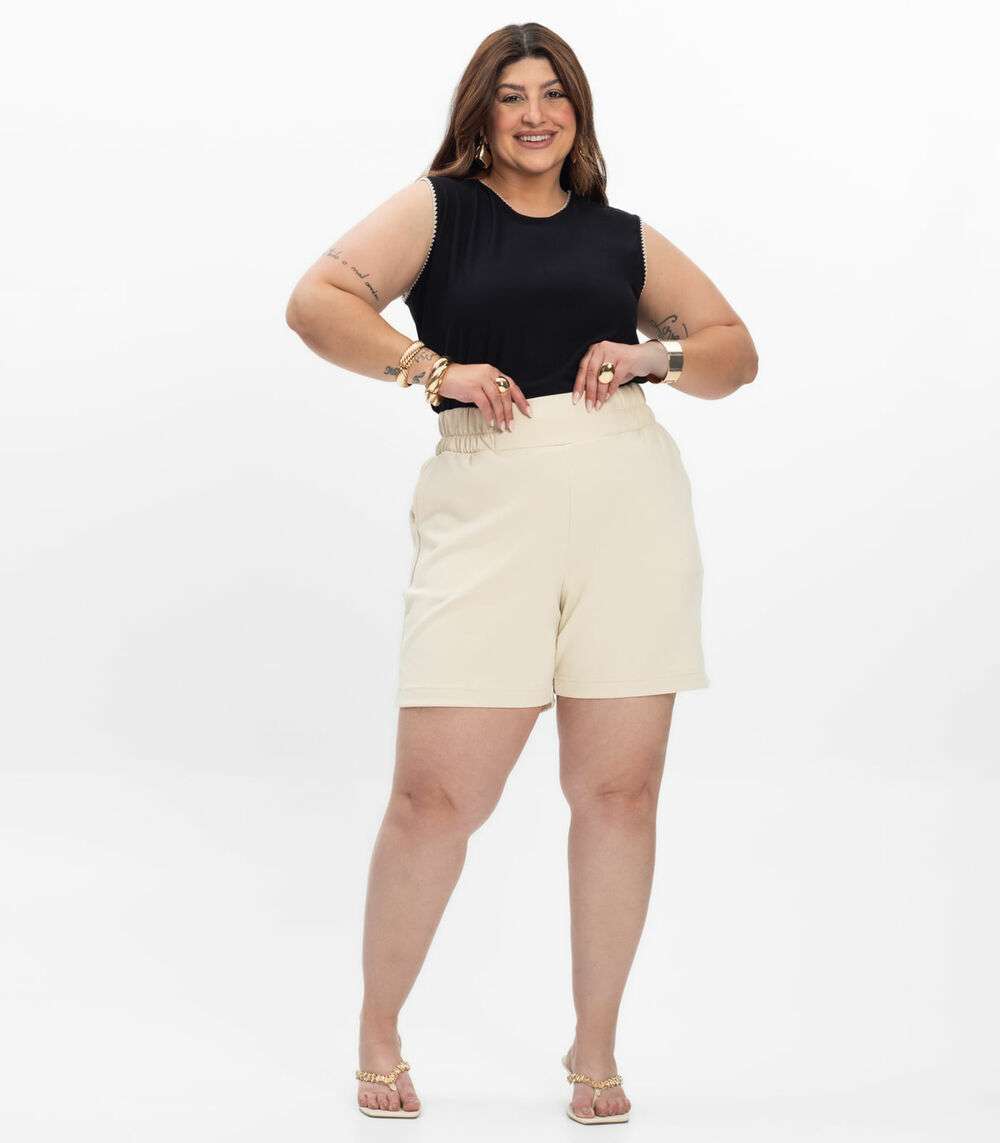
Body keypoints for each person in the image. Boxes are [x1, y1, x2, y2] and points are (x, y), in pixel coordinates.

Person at [285, 21, 757, 1124]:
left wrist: (655, 355)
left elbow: (734, 352)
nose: (535, 114)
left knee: (618, 792)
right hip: (488, 501)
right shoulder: (438, 210)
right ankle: (378, 1030)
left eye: (554, 94)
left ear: (577, 112)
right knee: (436, 798)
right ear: (481, 114)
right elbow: (318, 303)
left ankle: (595, 1047)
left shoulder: (620, 236)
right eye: (512, 96)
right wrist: (429, 367)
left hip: (627, 500)